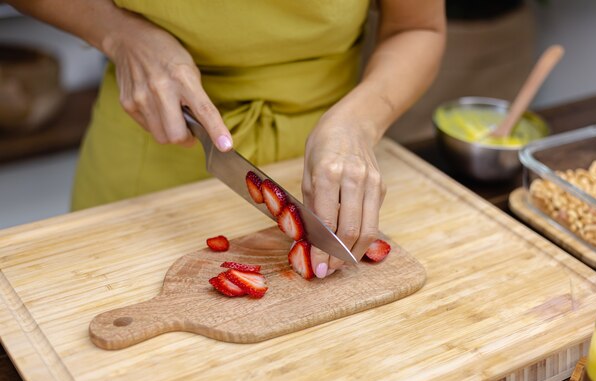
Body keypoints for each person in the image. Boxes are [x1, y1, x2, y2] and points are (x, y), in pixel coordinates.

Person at [8, 0, 445, 278]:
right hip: (154, 140)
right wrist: (119, 34)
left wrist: (358, 124)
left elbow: (417, 27)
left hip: (326, 156)